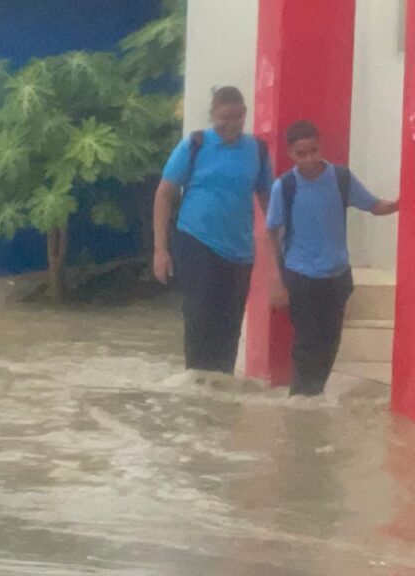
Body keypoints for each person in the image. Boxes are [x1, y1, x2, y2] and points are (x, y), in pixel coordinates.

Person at [266, 121, 399, 397]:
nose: (309, 159)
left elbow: (374, 206)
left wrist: (400, 203)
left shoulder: (341, 178)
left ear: (321, 147)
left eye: (314, 151)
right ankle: (302, 400)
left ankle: (313, 395)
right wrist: (276, 280)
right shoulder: (285, 186)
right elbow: (270, 231)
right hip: (300, 274)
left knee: (330, 340)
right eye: (302, 153)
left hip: (336, 274)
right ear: (291, 153)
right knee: (306, 340)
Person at [153, 86, 273, 374]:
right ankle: (196, 387)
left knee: (230, 325)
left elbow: (268, 200)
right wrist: (160, 250)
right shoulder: (194, 144)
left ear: (245, 114)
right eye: (223, 118)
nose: (230, 124)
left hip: (240, 251)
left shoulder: (256, 149)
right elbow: (164, 195)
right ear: (212, 116)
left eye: (237, 117)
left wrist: (277, 250)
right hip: (197, 242)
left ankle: (221, 393)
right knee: (200, 319)